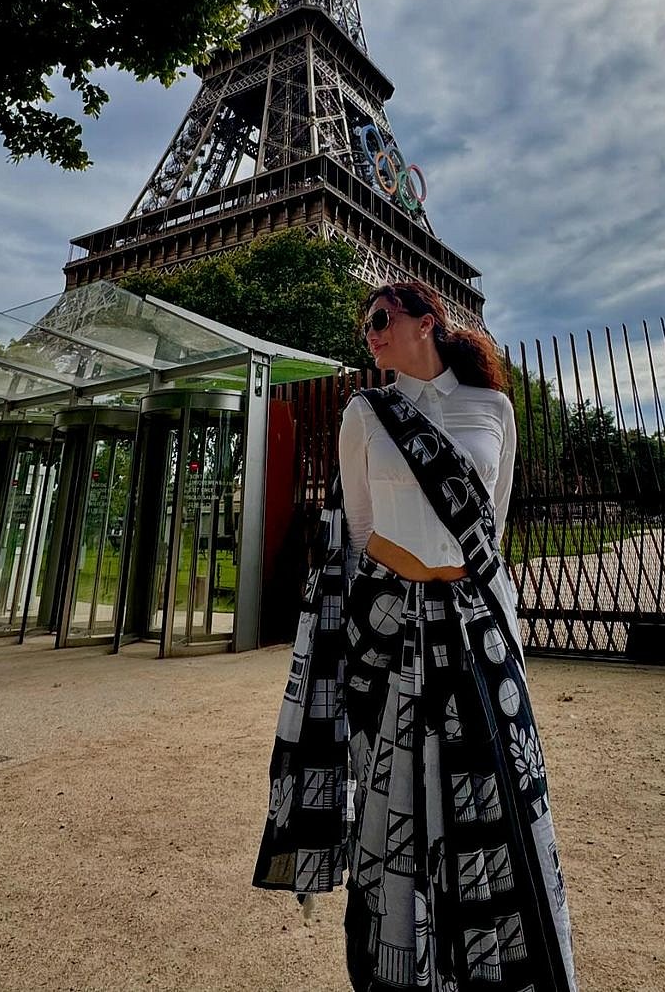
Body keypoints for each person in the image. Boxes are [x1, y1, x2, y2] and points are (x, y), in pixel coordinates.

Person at [255, 281, 576, 992]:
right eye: (364, 324)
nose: (369, 333)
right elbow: (361, 537)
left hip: (473, 632)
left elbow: (491, 527)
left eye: (380, 319)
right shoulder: (364, 414)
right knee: (392, 801)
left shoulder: (493, 409)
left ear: (426, 322)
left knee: (494, 800)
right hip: (395, 635)